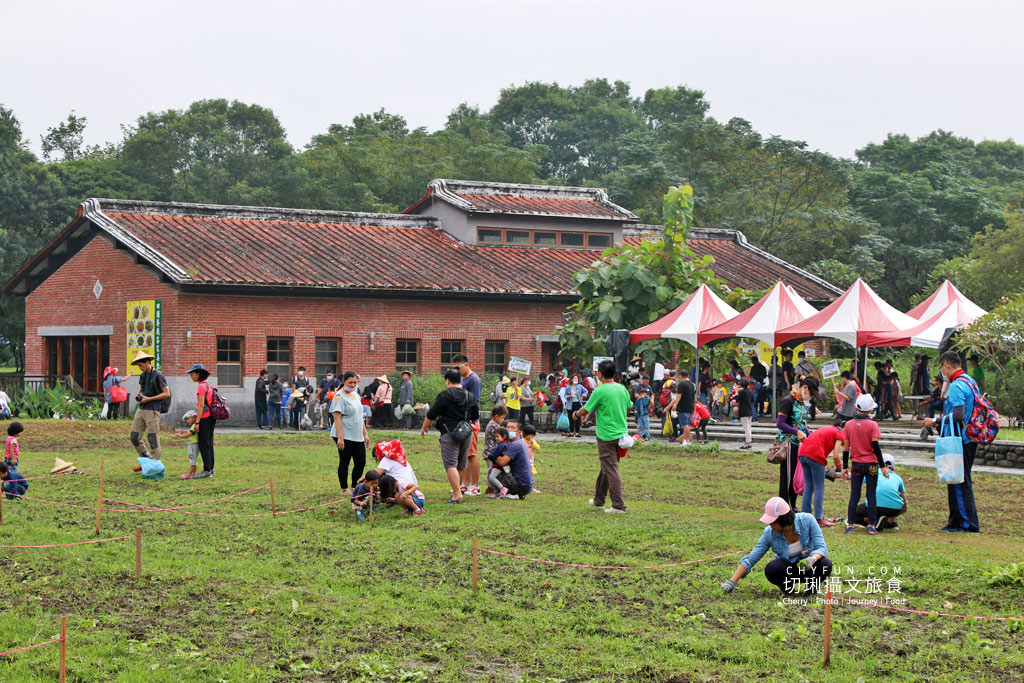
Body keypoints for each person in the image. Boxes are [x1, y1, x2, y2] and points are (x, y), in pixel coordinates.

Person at [721, 498, 831, 596]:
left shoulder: (808, 520)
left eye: (773, 522)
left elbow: (821, 547)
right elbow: (751, 559)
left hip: (809, 567)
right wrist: (732, 582)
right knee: (772, 569)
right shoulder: (769, 533)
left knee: (825, 564)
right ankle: (788, 591)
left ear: (783, 520)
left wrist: (811, 559)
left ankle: (812, 589)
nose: (770, 525)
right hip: (789, 570)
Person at [922, 351, 981, 533]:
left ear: (946, 365)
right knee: (956, 480)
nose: (942, 372)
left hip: (959, 439)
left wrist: (935, 421)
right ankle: (955, 521)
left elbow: (958, 415)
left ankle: (967, 524)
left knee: (959, 481)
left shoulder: (956, 386)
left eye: (941, 368)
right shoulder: (970, 381)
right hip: (970, 437)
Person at [576, 359, 630, 513]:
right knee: (606, 468)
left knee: (611, 469)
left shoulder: (600, 391)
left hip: (606, 435)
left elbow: (586, 410)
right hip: (621, 434)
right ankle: (599, 501)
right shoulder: (622, 389)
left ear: (599, 374)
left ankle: (618, 505)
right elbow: (628, 407)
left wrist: (575, 415)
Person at [421, 368, 479, 504]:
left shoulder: (445, 395)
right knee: (461, 464)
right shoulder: (469, 395)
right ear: (460, 380)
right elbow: (475, 415)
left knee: (450, 464)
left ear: (447, 381)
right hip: (467, 432)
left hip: (450, 432)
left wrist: (424, 427)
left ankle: (457, 493)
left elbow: (432, 414)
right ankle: (457, 490)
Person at [842, 393, 890, 534]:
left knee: (854, 495)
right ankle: (871, 525)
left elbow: (846, 448)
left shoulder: (849, 425)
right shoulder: (873, 425)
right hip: (872, 466)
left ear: (856, 407)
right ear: (870, 410)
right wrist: (882, 466)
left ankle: (850, 524)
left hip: (856, 464)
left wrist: (844, 467)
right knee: (871, 494)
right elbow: (876, 446)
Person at [776, 378, 818, 508]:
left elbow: (802, 424)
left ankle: (792, 506)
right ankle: (785, 508)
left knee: (795, 477)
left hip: (798, 445)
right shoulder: (788, 401)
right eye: (811, 393)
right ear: (805, 388)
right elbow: (780, 423)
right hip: (788, 444)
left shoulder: (801, 403)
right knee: (788, 477)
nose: (811, 397)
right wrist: (796, 432)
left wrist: (810, 435)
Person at [798, 419, 845, 527]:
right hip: (816, 456)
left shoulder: (827, 429)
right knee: (819, 486)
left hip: (803, 454)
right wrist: (840, 466)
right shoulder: (839, 433)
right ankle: (819, 518)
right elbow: (836, 456)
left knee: (809, 485)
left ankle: (805, 516)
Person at [331, 370, 370, 495]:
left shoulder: (356, 395)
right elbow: (337, 418)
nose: (353, 385)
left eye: (355, 382)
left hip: (357, 434)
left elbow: (360, 416)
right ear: (344, 382)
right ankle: (344, 488)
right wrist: (340, 438)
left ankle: (355, 486)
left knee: (361, 461)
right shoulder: (339, 397)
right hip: (344, 434)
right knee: (345, 461)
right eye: (350, 382)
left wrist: (365, 433)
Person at [129, 350, 170, 468]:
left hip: (153, 409)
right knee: (134, 437)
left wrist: (149, 399)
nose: (140, 367)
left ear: (147, 362)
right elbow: (142, 389)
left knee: (152, 438)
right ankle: (146, 461)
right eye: (138, 365)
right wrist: (140, 395)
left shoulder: (158, 375)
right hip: (142, 408)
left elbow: (166, 393)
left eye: (141, 365)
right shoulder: (143, 375)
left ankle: (155, 464)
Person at [452, 354, 483, 496]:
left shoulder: (474, 380)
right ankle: (465, 483)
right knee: (463, 454)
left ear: (466, 365)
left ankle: (475, 486)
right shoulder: (462, 379)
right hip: (461, 421)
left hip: (470, 422)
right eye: (454, 368)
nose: (456, 371)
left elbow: (474, 402)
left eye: (458, 367)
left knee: (472, 454)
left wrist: (470, 421)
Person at [854, 453, 906, 530]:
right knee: (897, 504)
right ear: (893, 468)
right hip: (894, 509)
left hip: (874, 506)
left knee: (853, 514)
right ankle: (891, 522)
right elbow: (904, 500)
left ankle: (875, 521)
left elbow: (860, 478)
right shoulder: (898, 477)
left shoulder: (874, 471)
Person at [487, 421, 534, 499]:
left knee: (492, 471)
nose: (509, 429)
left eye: (513, 428)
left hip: (521, 484)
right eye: (508, 427)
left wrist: (491, 456)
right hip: (525, 484)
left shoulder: (515, 444)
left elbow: (502, 462)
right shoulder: (517, 442)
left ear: (519, 432)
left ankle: (506, 492)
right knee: (494, 469)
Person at [186, 363, 217, 479]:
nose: (191, 376)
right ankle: (211, 468)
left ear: (199, 374)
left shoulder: (201, 387)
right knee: (209, 443)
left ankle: (206, 470)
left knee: (204, 444)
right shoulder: (209, 385)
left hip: (204, 418)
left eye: (192, 373)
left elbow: (200, 405)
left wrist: (197, 422)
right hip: (211, 418)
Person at [668, 374, 696, 445]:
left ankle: (686, 440)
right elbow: (694, 396)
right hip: (691, 407)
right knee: (687, 424)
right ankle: (687, 440)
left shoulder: (681, 384)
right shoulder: (692, 384)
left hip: (683, 407)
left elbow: (679, 395)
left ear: (681, 376)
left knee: (685, 425)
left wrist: (675, 405)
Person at [173, 409, 199, 480]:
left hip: (193, 444)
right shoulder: (194, 426)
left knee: (192, 459)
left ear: (194, 417)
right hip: (192, 444)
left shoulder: (194, 426)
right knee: (193, 459)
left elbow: (189, 434)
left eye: (188, 419)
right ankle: (193, 473)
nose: (187, 421)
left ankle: (189, 474)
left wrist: (181, 436)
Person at [736, 381, 755, 449]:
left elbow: (737, 399)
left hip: (743, 412)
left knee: (746, 428)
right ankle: (749, 441)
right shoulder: (750, 391)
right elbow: (753, 400)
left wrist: (736, 392)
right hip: (749, 411)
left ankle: (748, 442)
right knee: (749, 427)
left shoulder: (742, 392)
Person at [633, 376, 653, 440]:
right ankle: (639, 436)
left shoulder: (649, 387)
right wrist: (636, 409)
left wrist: (651, 400)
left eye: (647, 381)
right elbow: (636, 397)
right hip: (639, 413)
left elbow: (652, 395)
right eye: (645, 381)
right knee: (639, 424)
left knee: (646, 425)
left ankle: (647, 435)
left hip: (645, 413)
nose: (646, 382)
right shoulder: (638, 387)